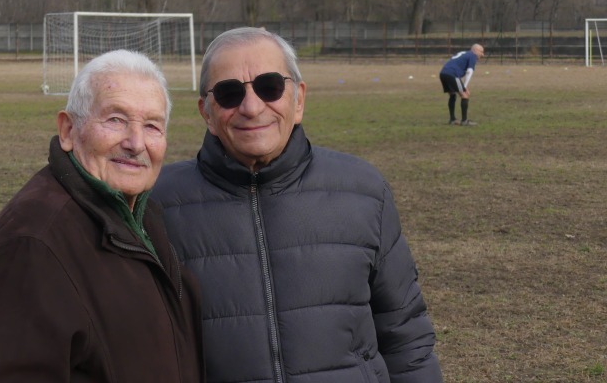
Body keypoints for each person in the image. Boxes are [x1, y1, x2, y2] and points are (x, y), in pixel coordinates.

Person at [152, 27, 443, 383]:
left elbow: (405, 336)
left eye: (269, 86)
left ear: (299, 99)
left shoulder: (364, 191)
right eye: (229, 93)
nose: (251, 107)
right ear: (207, 113)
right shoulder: (158, 204)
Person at [0, 50, 205, 382]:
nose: (136, 143)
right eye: (115, 119)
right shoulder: (33, 243)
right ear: (68, 130)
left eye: (152, 126)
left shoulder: (141, 215)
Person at [439, 43, 485, 126]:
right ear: (475, 50)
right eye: (481, 52)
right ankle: (464, 121)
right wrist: (465, 87)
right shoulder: (472, 55)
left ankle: (452, 119)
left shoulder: (464, 53)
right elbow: (469, 71)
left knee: (452, 94)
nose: (482, 55)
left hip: (443, 73)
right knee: (465, 95)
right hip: (452, 74)